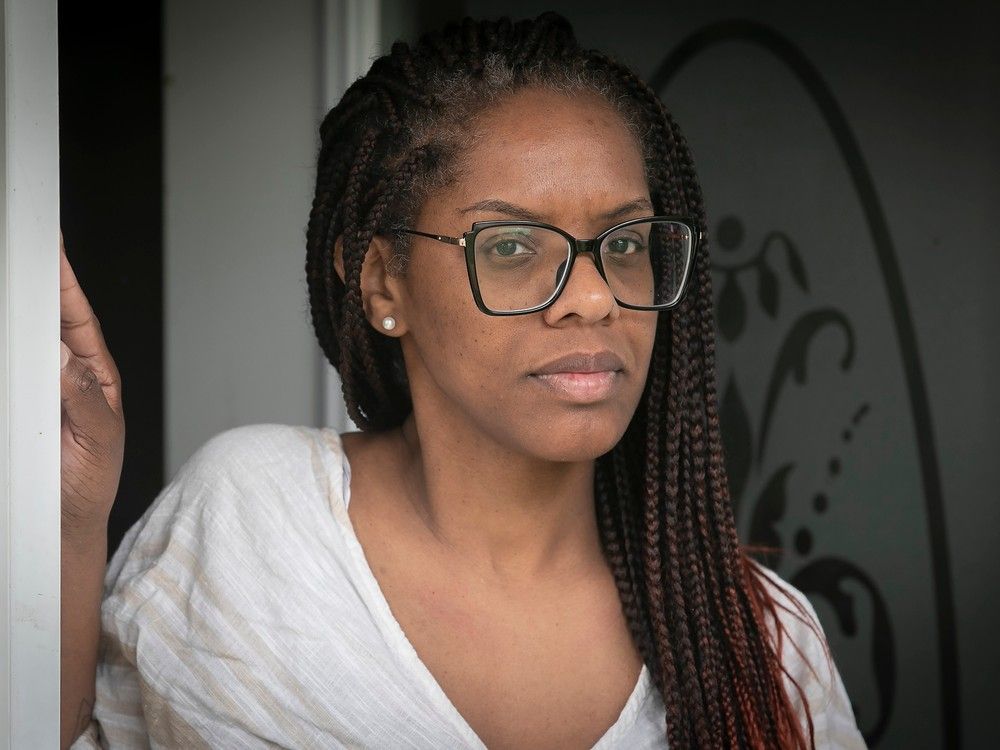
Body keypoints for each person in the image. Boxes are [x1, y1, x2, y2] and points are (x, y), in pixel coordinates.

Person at [60, 12, 866, 750]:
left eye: (625, 244)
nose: (593, 297)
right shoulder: (254, 522)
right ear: (383, 284)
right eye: (512, 246)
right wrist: (70, 524)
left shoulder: (762, 641)